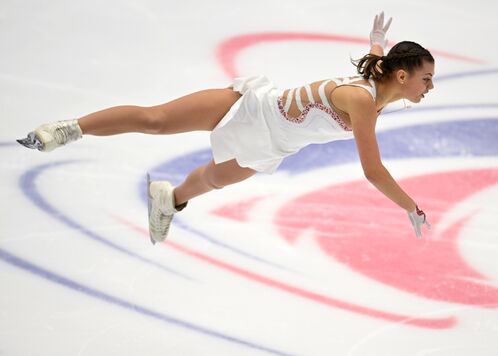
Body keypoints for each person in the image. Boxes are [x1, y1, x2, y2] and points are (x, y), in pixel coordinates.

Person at [17, 12, 433, 244]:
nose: (430, 86)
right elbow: (373, 170)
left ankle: (168, 199)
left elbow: (377, 58)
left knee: (214, 179)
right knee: (156, 120)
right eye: (426, 78)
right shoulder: (363, 101)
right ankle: (69, 129)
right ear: (400, 76)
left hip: (272, 145)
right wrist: (411, 207)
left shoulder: (378, 92)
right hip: (253, 109)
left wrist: (377, 40)